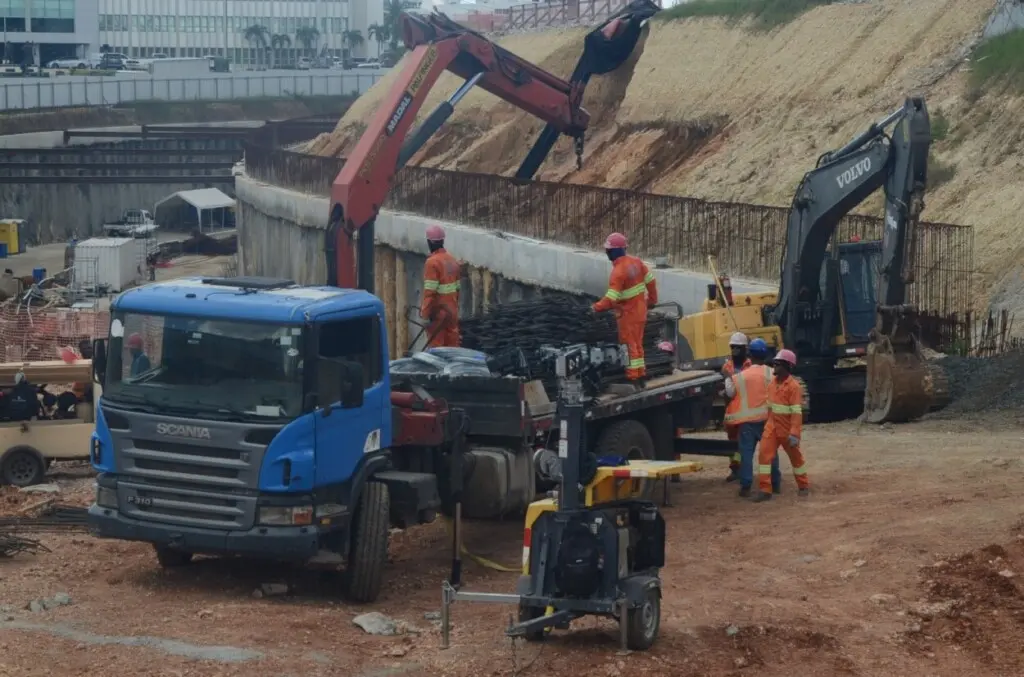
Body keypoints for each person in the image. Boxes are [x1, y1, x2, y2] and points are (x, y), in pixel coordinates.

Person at [592, 232, 658, 382]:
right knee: (638, 344)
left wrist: (596, 308)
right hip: (641, 311)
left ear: (616, 250)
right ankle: (641, 374)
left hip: (627, 314)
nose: (607, 252)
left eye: (608, 250)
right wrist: (652, 300)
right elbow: (651, 281)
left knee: (629, 346)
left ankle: (633, 377)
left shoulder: (618, 272)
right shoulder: (637, 262)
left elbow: (611, 298)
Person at [723, 338, 779, 498]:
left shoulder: (740, 377)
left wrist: (727, 377)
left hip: (747, 423)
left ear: (750, 354)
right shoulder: (772, 373)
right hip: (768, 420)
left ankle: (745, 486)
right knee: (770, 453)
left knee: (746, 454)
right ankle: (775, 483)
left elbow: (729, 393)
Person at [755, 349, 810, 502]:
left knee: (796, 458)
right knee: (764, 457)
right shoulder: (772, 384)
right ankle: (765, 490)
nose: (774, 366)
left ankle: (803, 486)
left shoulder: (794, 387)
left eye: (777, 364)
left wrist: (794, 433)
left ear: (787, 366)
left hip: (787, 430)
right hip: (772, 426)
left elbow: (796, 412)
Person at [419, 224, 462, 348]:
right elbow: (458, 289)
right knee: (452, 346)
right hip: (452, 311)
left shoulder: (432, 262)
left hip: (438, 313)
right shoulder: (452, 260)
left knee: (437, 348)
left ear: (430, 242)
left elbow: (430, 292)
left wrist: (425, 314)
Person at [722, 332, 752, 482]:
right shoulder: (727, 366)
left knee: (745, 442)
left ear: (744, 349)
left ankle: (744, 470)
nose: (734, 351)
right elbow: (727, 392)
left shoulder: (750, 365)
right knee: (732, 442)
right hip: (732, 411)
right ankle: (735, 468)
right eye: (733, 347)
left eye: (737, 348)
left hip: (746, 411)